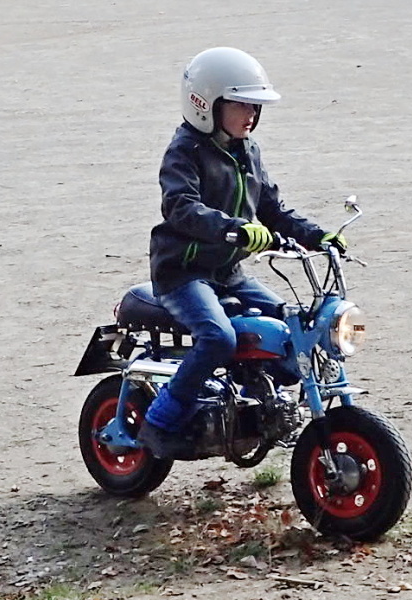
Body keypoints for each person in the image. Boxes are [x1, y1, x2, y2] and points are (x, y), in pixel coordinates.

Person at [138, 47, 346, 458]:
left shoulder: (247, 150)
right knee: (217, 337)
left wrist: (317, 236)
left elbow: (272, 209)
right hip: (183, 273)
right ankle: (158, 423)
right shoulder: (185, 151)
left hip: (228, 273)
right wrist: (235, 229)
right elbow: (180, 206)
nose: (251, 114)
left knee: (291, 324)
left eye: (255, 106)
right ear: (207, 103)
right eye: (241, 104)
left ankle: (255, 400)